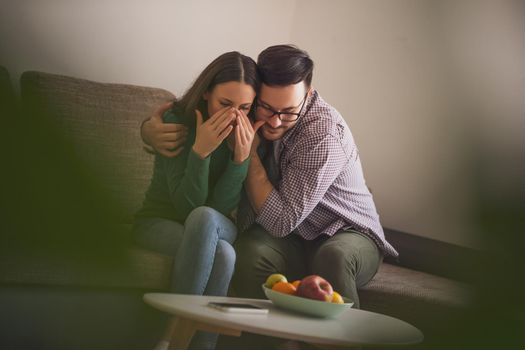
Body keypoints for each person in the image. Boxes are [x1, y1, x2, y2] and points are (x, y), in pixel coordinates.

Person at [141, 45, 398, 349]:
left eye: (288, 112)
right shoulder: (242, 113)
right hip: (293, 237)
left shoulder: (322, 135)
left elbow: (279, 221)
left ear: (308, 94)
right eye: (266, 108)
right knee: (246, 253)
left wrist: (245, 154)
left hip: (347, 231)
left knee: (333, 255)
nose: (275, 122)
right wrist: (148, 131)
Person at [134, 51, 262, 350]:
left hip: (216, 223)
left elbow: (216, 211)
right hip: (158, 222)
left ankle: (169, 337)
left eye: (245, 107)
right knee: (225, 255)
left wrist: (240, 159)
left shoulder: (251, 130)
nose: (234, 115)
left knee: (206, 219)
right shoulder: (177, 120)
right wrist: (200, 152)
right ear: (206, 92)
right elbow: (187, 208)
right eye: (225, 104)